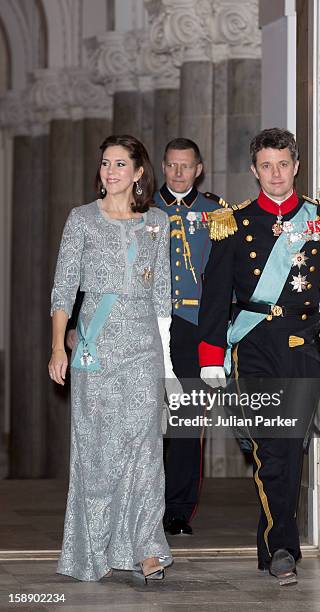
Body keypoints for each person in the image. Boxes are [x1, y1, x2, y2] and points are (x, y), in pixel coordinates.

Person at [198, 128, 320, 584]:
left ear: (296, 166)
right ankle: (283, 548)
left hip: (303, 344)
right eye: (266, 166)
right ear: (254, 170)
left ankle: (273, 543)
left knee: (290, 449)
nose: (276, 174)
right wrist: (212, 354)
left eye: (283, 164)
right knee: (271, 449)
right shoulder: (234, 222)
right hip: (253, 347)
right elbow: (214, 295)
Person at [49, 134, 182, 582]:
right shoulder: (81, 219)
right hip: (95, 346)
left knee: (145, 447)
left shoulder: (158, 222)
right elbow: (64, 288)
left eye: (121, 164)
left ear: (139, 172)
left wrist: (167, 368)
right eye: (106, 163)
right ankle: (94, 549)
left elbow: (163, 294)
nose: (111, 171)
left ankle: (147, 548)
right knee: (98, 448)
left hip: (144, 346)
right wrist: (56, 347)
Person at [154, 138, 225, 535]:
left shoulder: (216, 213)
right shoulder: (144, 210)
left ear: (199, 169)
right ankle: (140, 502)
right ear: (162, 167)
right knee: (144, 417)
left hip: (194, 325)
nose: (178, 173)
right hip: (149, 322)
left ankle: (177, 509)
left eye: (186, 166)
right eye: (171, 165)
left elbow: (223, 276)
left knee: (185, 418)